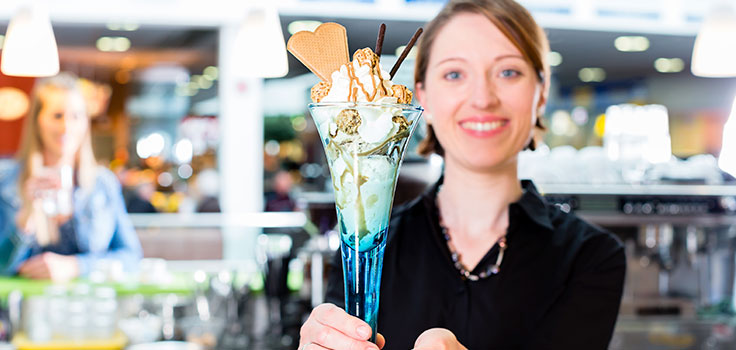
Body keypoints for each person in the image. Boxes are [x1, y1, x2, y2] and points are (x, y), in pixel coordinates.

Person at [297, 1, 626, 349]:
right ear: (421, 96)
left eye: (508, 72)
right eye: (454, 74)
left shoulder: (592, 256)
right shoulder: (363, 243)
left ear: (541, 93)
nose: (482, 98)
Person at [0, 73, 142, 282]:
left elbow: (131, 257)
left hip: (88, 308)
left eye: (76, 116)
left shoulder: (102, 183)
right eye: (57, 116)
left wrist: (77, 267)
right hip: (24, 310)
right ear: (37, 121)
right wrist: (25, 219)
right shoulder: (7, 180)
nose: (66, 126)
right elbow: (2, 267)